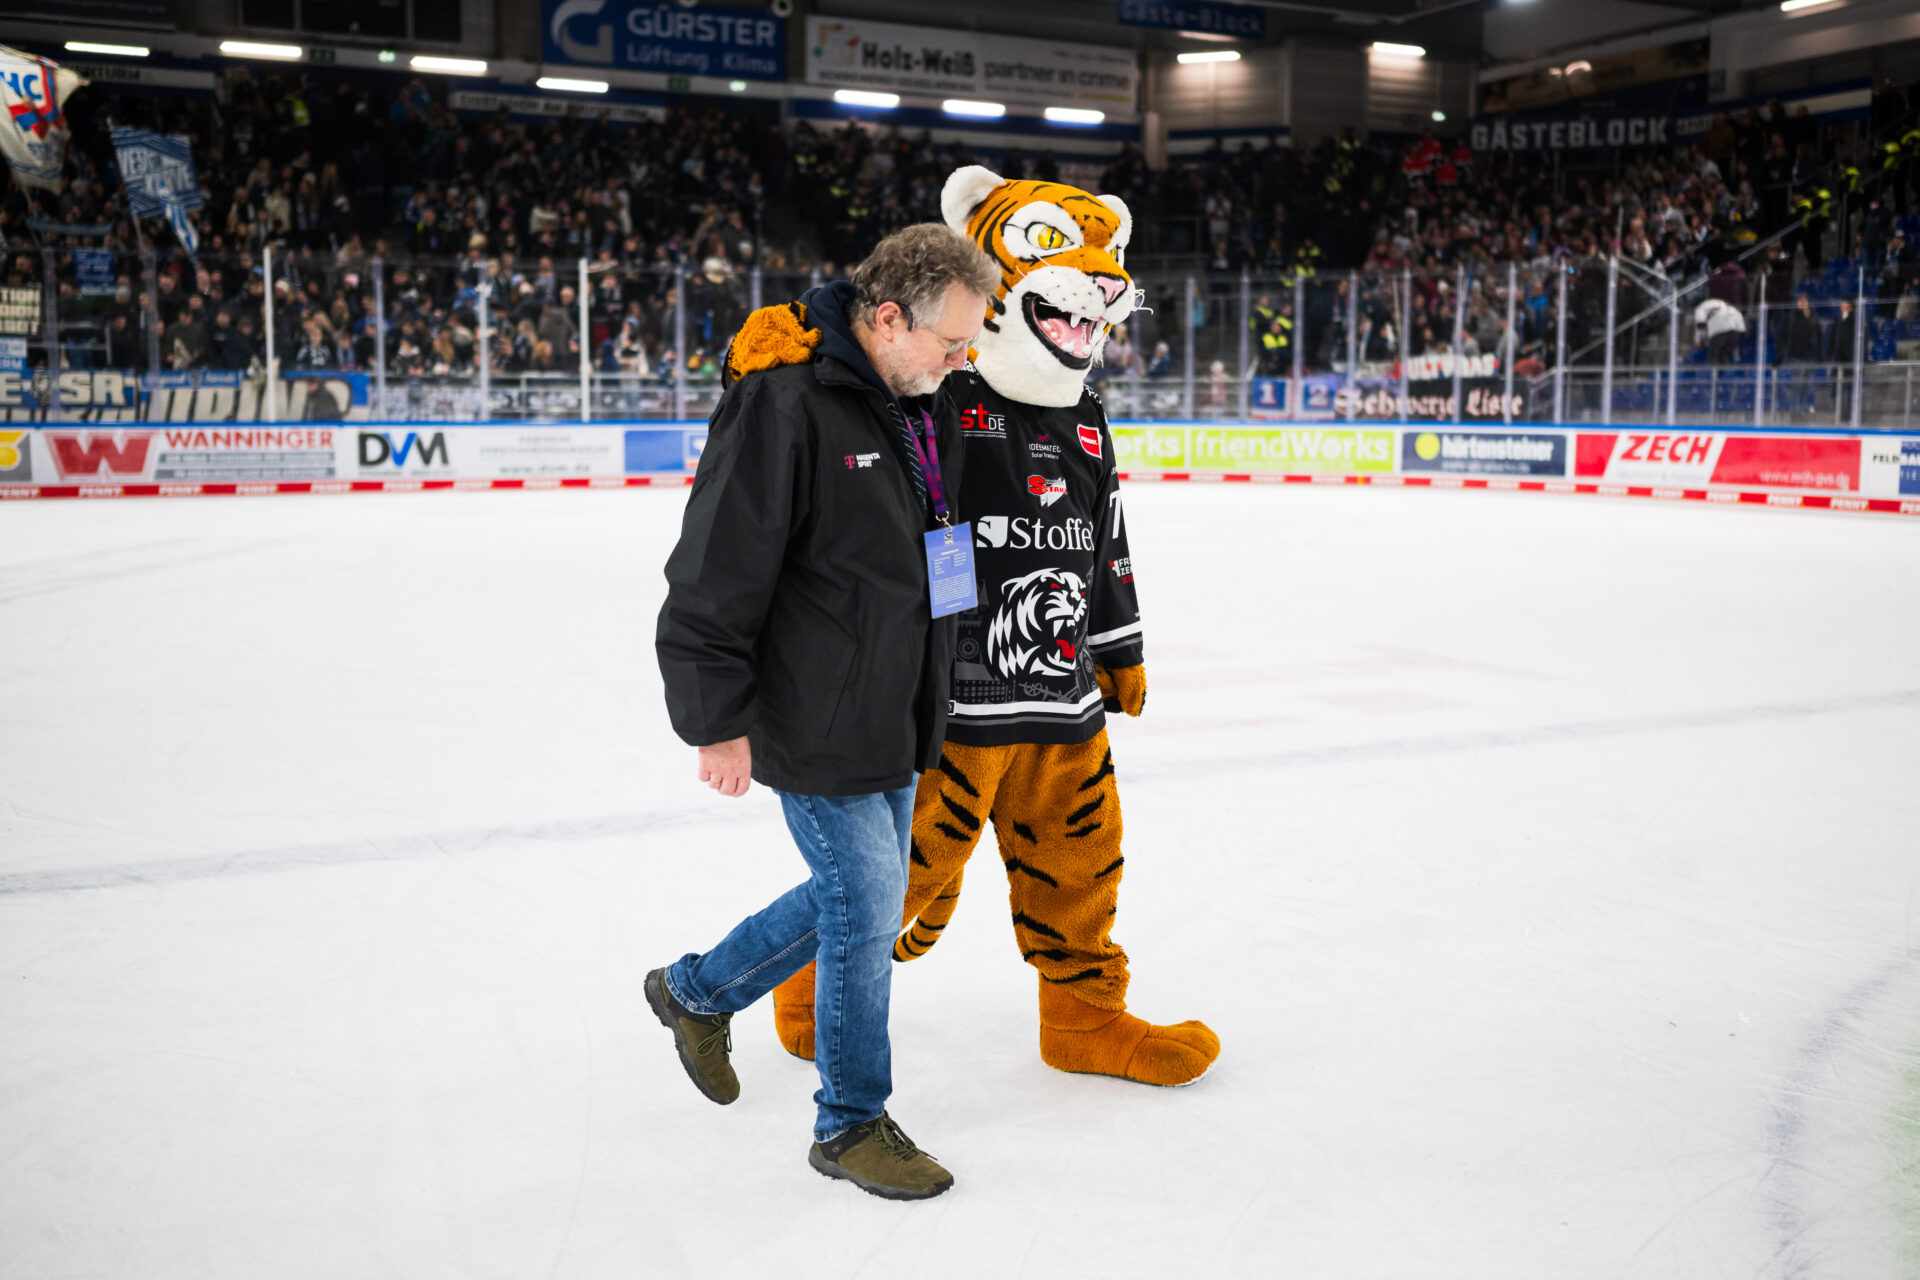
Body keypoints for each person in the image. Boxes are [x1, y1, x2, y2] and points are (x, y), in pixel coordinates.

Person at [649, 224, 999, 1201]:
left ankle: (695, 992)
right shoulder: (784, 400)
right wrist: (715, 718)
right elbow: (714, 568)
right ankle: (849, 1121)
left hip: (895, 700)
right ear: (888, 318)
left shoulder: (920, 398)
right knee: (866, 903)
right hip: (809, 707)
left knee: (866, 894)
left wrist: (944, 676)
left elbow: (933, 542)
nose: (963, 361)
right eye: (952, 342)